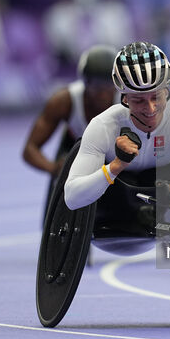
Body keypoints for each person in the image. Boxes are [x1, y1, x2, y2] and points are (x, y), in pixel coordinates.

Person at [64, 41, 170, 210]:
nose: (151, 108)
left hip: (166, 178)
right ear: (124, 98)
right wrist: (115, 166)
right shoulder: (103, 126)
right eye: (139, 100)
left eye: (156, 97)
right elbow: (72, 198)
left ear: (167, 91)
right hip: (117, 187)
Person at [22, 45, 117, 223]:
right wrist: (54, 169)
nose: (103, 94)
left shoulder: (130, 99)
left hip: (116, 152)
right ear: (85, 83)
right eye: (97, 87)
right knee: (64, 175)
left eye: (109, 86)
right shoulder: (64, 101)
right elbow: (30, 149)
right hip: (76, 152)